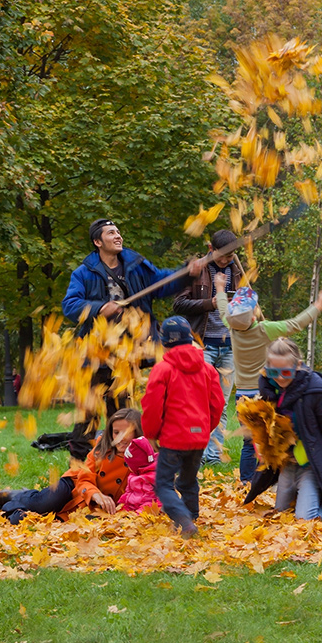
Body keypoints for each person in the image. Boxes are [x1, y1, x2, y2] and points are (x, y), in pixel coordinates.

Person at [61, 219, 203, 422]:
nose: (118, 236)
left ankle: (120, 451)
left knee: (121, 410)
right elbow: (70, 305)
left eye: (118, 232)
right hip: (96, 351)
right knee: (87, 414)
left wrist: (186, 274)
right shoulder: (83, 273)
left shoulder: (135, 265)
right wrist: (99, 308)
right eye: (111, 233)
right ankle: (80, 454)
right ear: (97, 242)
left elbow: (162, 283)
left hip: (128, 350)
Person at [214, 272, 322, 482]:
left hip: (243, 396)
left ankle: (246, 480)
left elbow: (223, 308)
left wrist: (219, 288)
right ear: (254, 315)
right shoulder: (264, 329)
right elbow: (296, 324)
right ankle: (276, 478)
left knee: (249, 441)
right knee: (272, 438)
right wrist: (319, 304)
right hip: (265, 393)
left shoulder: (232, 327)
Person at [243, 339, 322, 520]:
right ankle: (306, 496)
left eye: (286, 372)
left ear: (298, 366)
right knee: (281, 513)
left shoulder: (313, 392)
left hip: (312, 465)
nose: (280, 377)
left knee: (304, 519)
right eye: (273, 372)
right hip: (287, 464)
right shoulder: (270, 389)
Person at [140, 316, 225, 537]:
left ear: (164, 343)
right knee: (188, 480)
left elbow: (152, 405)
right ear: (190, 339)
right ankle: (191, 519)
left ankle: (184, 520)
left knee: (163, 485)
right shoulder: (207, 369)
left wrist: (151, 434)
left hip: (173, 439)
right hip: (198, 438)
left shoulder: (162, 369)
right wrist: (206, 428)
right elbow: (217, 404)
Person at [0, 407, 142, 524]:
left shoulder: (145, 458)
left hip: (94, 507)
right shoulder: (102, 449)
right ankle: (21, 497)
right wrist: (95, 494)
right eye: (116, 432)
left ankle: (8, 507)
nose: (120, 438)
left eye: (127, 432)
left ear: (137, 432)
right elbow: (84, 478)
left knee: (23, 520)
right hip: (74, 486)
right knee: (47, 502)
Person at [173, 228, 245, 465]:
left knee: (220, 404)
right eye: (222, 255)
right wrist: (210, 303)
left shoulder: (237, 271)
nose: (226, 260)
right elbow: (178, 304)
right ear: (210, 249)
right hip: (201, 345)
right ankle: (197, 455)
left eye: (230, 255)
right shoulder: (195, 269)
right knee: (198, 402)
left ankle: (213, 456)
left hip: (229, 345)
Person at [118, 436, 161, 512]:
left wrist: (158, 506)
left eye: (129, 465)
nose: (128, 468)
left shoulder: (154, 476)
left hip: (148, 504)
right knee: (121, 511)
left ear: (137, 465)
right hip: (132, 504)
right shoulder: (132, 476)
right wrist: (123, 500)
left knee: (142, 512)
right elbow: (129, 491)